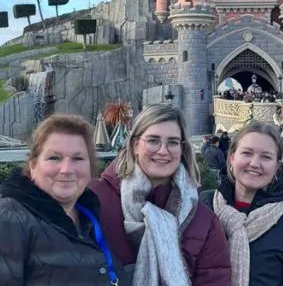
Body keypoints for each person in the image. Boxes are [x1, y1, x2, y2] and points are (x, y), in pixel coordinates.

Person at [0, 115, 129, 285]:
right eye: (54, 158)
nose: (67, 169)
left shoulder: (88, 218)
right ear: (33, 165)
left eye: (78, 158)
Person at [90, 104, 231, 285]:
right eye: (153, 140)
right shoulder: (94, 199)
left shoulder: (204, 221)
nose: (163, 151)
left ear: (181, 149)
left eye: (172, 142)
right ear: (135, 145)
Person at [200, 121, 283, 286]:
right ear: (232, 159)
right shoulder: (204, 208)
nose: (255, 163)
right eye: (247, 153)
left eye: (266, 157)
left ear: (277, 167)